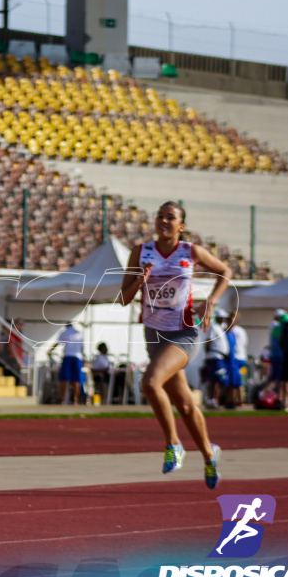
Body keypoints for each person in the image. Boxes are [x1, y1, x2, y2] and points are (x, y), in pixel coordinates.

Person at [120, 201, 229, 489]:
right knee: (185, 403)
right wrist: (140, 281)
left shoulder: (190, 251)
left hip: (184, 332)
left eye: (171, 218)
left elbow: (225, 271)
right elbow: (122, 297)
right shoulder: (140, 251)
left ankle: (174, 445)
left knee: (150, 382)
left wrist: (211, 301)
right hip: (155, 335)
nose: (164, 221)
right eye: (160, 216)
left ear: (181, 226)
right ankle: (209, 454)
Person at [52, 322, 85, 405]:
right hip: (77, 357)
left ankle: (61, 399)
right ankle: (75, 399)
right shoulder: (78, 333)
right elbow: (82, 348)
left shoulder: (64, 333)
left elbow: (57, 343)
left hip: (68, 356)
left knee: (64, 379)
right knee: (76, 380)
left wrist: (50, 350)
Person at [202, 311, 229, 409]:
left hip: (220, 357)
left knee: (218, 380)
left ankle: (214, 400)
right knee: (215, 380)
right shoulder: (214, 327)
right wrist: (208, 355)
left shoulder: (221, 328)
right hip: (215, 357)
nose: (223, 319)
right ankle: (213, 400)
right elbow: (209, 341)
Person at [228, 311, 248, 406]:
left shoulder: (234, 331)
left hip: (237, 358)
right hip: (241, 358)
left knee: (237, 380)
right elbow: (245, 344)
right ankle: (239, 400)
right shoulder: (241, 330)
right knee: (238, 380)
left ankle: (238, 400)